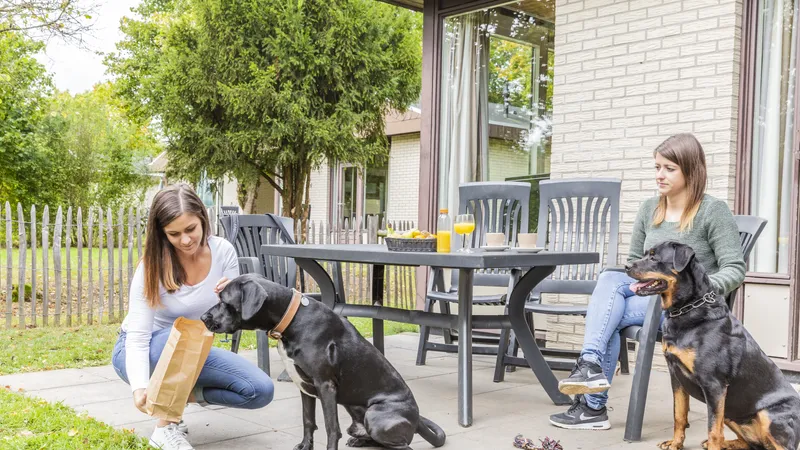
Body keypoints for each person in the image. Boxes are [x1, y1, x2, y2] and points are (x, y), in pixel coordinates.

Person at [549, 133, 746, 430]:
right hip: (649, 298)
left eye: (669, 168)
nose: (659, 175)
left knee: (606, 313)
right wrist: (637, 285)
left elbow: (735, 268)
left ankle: (592, 403)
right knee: (610, 282)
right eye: (657, 167)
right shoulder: (649, 209)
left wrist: (699, 291)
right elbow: (633, 265)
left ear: (691, 170)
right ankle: (590, 376)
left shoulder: (712, 211)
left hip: (686, 310)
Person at [112, 184, 274, 450]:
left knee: (259, 390)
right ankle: (163, 429)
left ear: (202, 219)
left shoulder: (223, 252)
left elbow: (233, 321)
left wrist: (231, 299)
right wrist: (140, 387)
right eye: (174, 234)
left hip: (194, 348)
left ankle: (174, 399)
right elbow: (138, 337)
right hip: (143, 349)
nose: (185, 240)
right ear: (162, 233)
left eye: (191, 229)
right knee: (179, 334)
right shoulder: (151, 267)